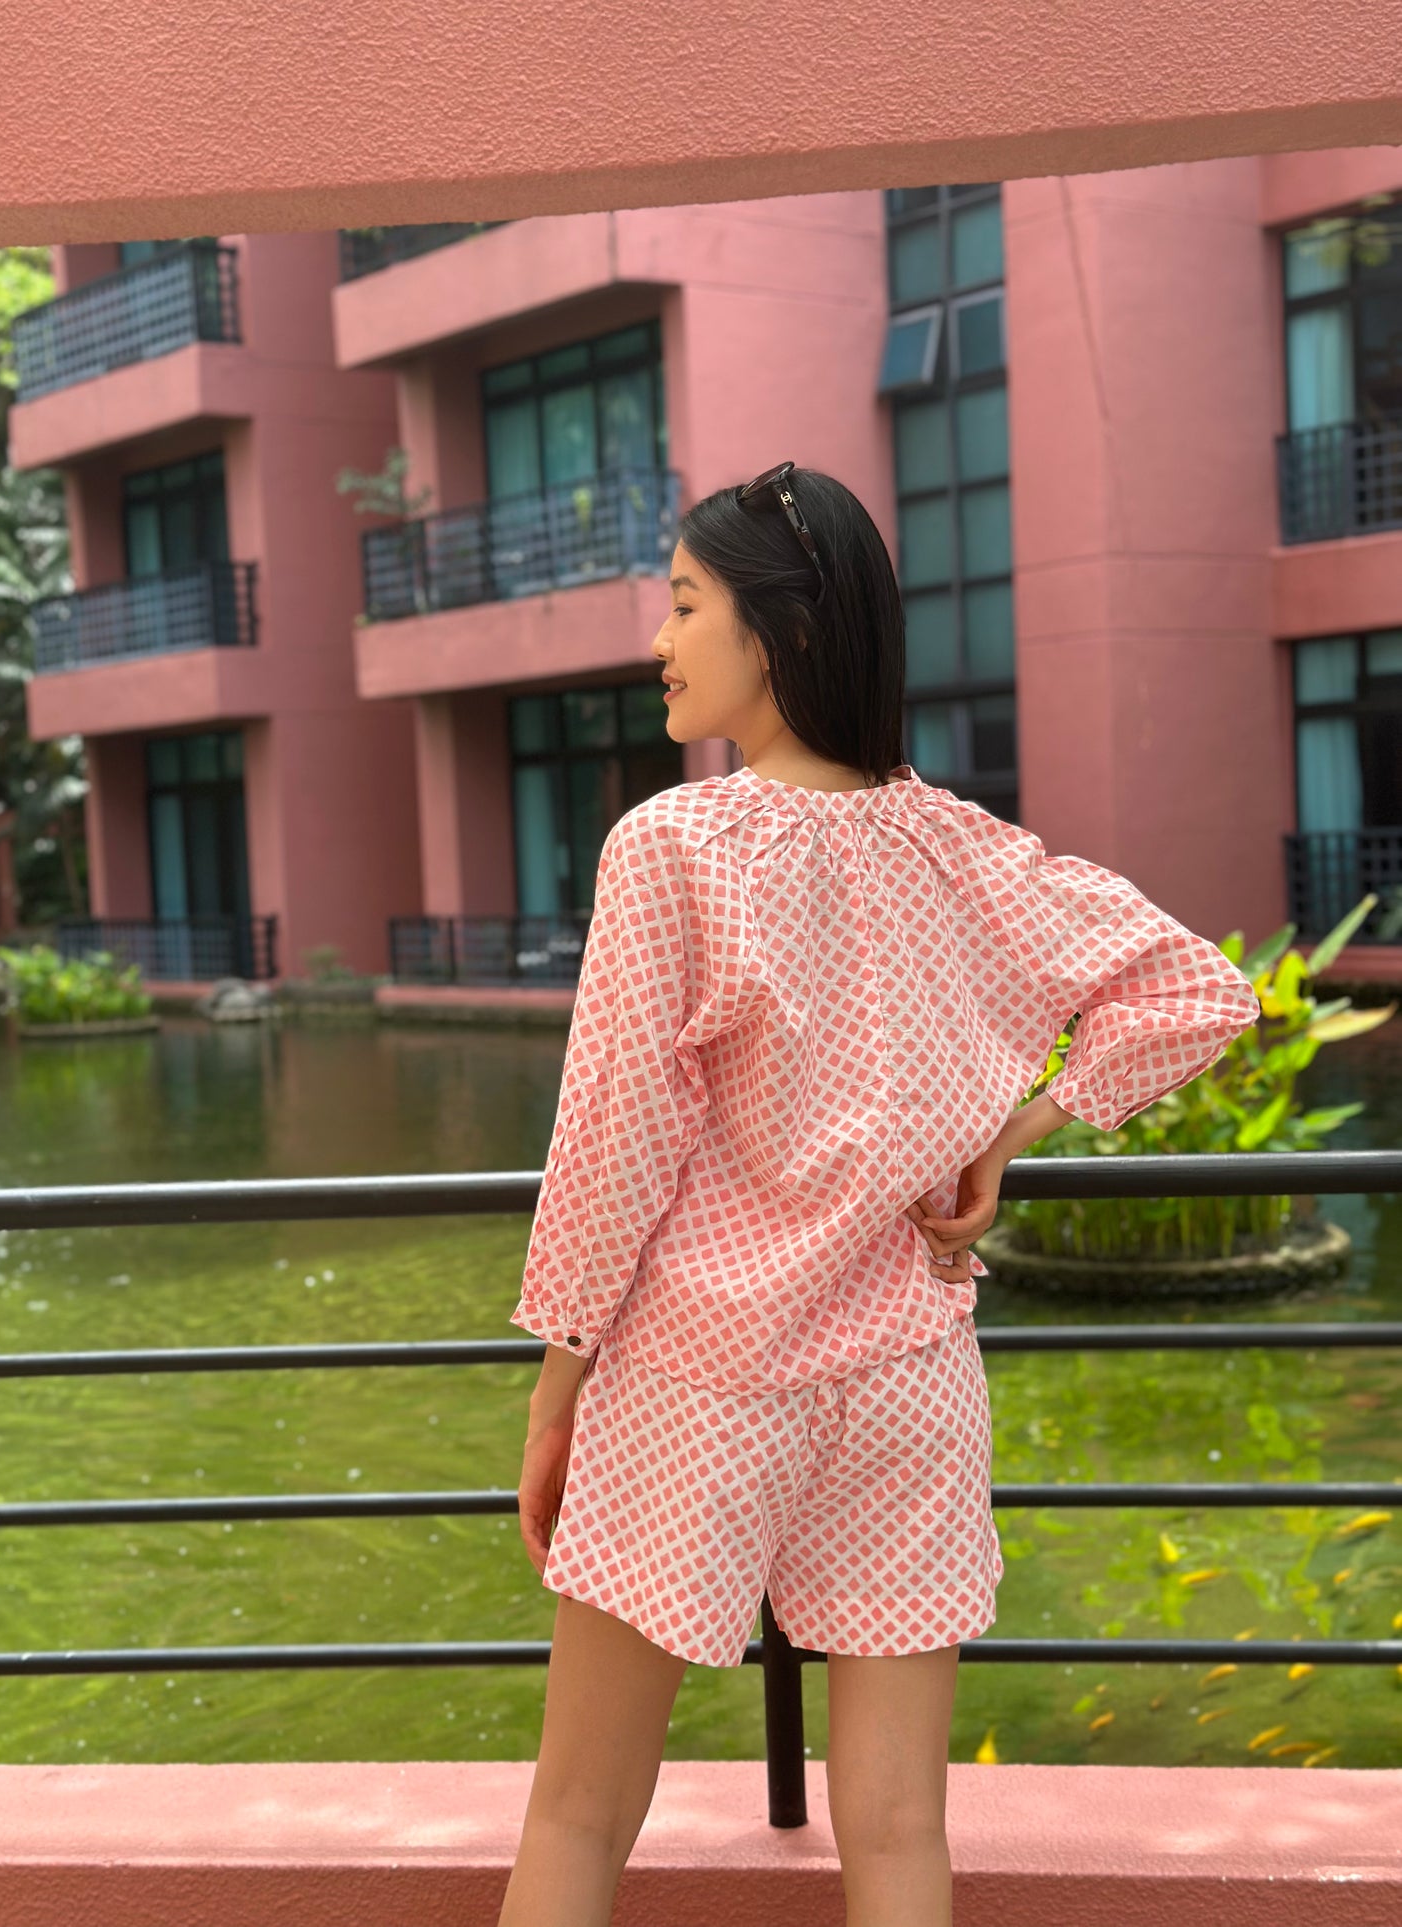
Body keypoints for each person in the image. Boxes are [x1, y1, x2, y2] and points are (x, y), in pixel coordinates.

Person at [499, 461, 1261, 1927]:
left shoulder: (675, 845)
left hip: (695, 1377)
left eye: (681, 605)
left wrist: (554, 1396)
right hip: (907, 1379)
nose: (658, 642)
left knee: (582, 1813)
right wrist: (1010, 1134)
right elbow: (1197, 991)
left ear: (776, 628)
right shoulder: (963, 847)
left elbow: (613, 1153)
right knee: (903, 1832)